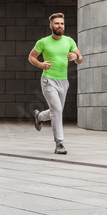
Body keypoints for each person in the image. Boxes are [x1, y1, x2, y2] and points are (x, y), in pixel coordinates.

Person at [28, 12, 83, 154]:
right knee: (57, 111)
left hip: (63, 81)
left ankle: (39, 117)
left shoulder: (69, 41)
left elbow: (80, 59)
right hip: (48, 80)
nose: (60, 26)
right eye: (57, 23)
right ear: (51, 25)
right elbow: (31, 57)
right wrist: (41, 65)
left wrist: (75, 56)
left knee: (56, 111)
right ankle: (59, 144)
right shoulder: (43, 42)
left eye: (62, 23)